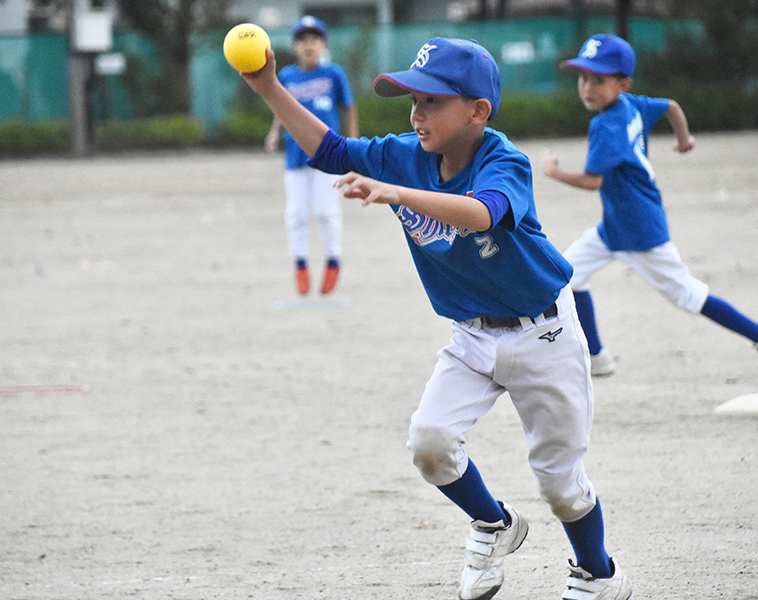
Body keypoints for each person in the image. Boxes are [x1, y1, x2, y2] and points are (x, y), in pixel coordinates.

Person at [241, 38, 633, 600]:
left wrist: (396, 192)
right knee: (429, 439)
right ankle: (495, 524)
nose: (416, 114)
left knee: (560, 485)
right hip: (471, 334)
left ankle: (599, 573)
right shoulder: (404, 154)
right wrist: (269, 88)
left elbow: (482, 214)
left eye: (432, 102)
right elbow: (329, 151)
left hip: (543, 332)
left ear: (478, 110)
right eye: (412, 101)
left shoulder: (503, 160)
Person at [543, 33, 758, 393]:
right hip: (617, 226)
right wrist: (683, 139)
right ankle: (596, 356)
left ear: (622, 82)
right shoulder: (631, 104)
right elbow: (672, 106)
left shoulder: (606, 125)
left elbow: (592, 181)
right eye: (583, 77)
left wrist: (553, 172)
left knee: (688, 295)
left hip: (640, 232)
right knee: (566, 276)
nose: (587, 86)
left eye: (599, 79)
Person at [265, 16, 359, 295]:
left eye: (314, 39)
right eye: (303, 40)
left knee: (326, 211)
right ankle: (301, 264)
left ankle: (332, 261)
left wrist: (353, 142)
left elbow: (349, 107)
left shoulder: (333, 74)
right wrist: (273, 133)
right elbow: (281, 109)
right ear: (295, 46)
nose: (309, 45)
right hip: (295, 155)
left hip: (328, 156)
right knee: (296, 213)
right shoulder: (287, 77)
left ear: (323, 45)